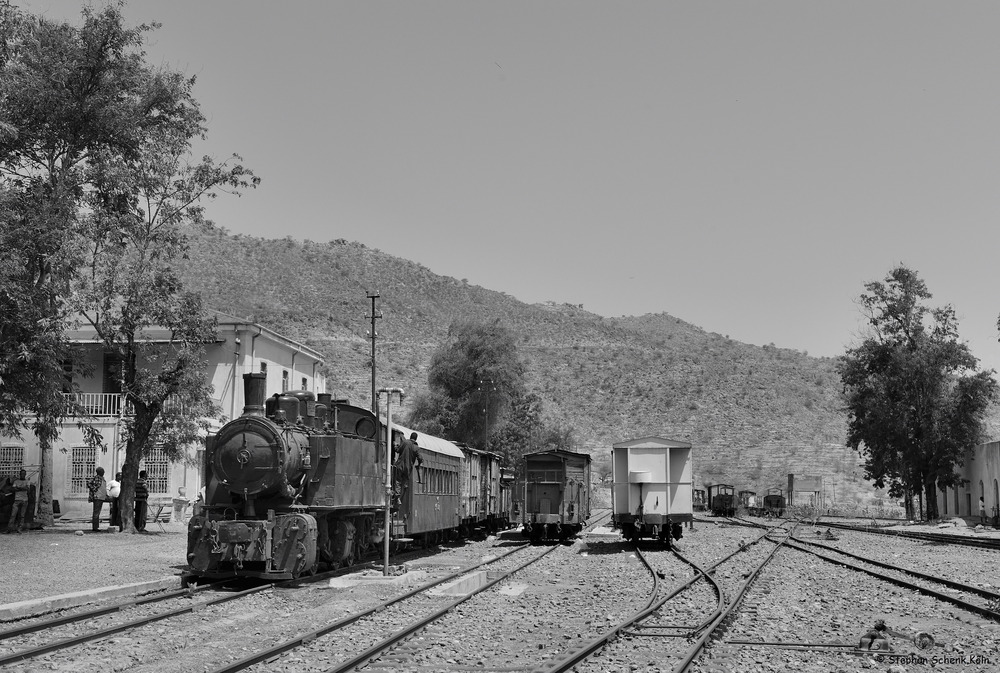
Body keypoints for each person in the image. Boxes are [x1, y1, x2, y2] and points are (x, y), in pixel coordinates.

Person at [6, 469, 30, 534]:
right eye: (21, 474)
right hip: (17, 500)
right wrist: (22, 488)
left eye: (23, 474)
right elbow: (13, 489)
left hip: (24, 500)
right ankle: (9, 529)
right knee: (13, 515)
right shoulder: (16, 481)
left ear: (25, 474)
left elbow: (27, 489)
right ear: (20, 474)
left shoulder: (27, 481)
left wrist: (18, 488)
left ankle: (19, 529)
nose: (22, 475)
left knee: (22, 516)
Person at [87, 467, 107, 532]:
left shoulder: (102, 478)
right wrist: (94, 489)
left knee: (97, 512)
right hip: (98, 497)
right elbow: (89, 483)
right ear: (99, 472)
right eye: (102, 471)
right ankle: (95, 527)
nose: (104, 472)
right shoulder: (97, 478)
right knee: (96, 513)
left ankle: (96, 527)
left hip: (101, 497)